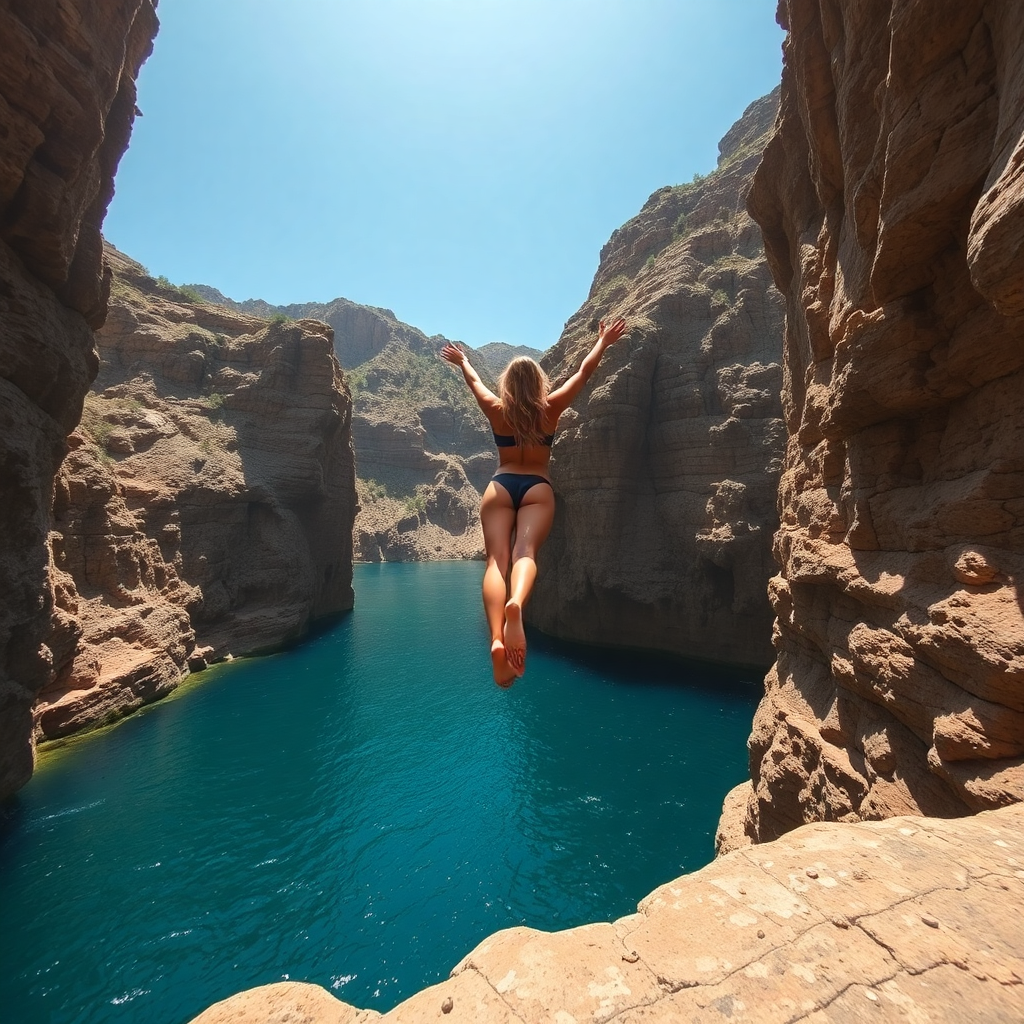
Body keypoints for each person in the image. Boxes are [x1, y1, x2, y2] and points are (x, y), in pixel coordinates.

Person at [440, 317, 629, 687]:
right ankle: (517, 606)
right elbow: (584, 372)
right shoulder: (551, 409)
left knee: (496, 560)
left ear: (507, 385)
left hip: (501, 484)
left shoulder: (497, 410)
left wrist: (463, 361)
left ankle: (496, 637)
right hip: (537, 487)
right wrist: (603, 341)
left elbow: (474, 383)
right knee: (524, 553)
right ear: (539, 382)